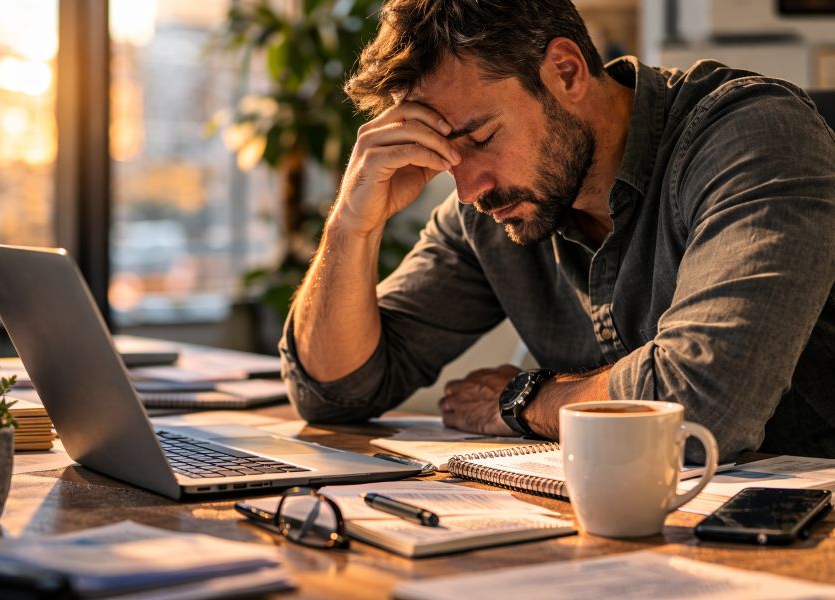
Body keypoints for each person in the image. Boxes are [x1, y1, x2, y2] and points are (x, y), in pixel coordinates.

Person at [278, 0, 835, 462]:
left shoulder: (754, 136)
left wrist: (526, 399)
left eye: (480, 137)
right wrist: (352, 224)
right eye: (445, 157)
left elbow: (708, 405)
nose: (468, 188)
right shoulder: (493, 206)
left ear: (566, 72)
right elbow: (333, 391)